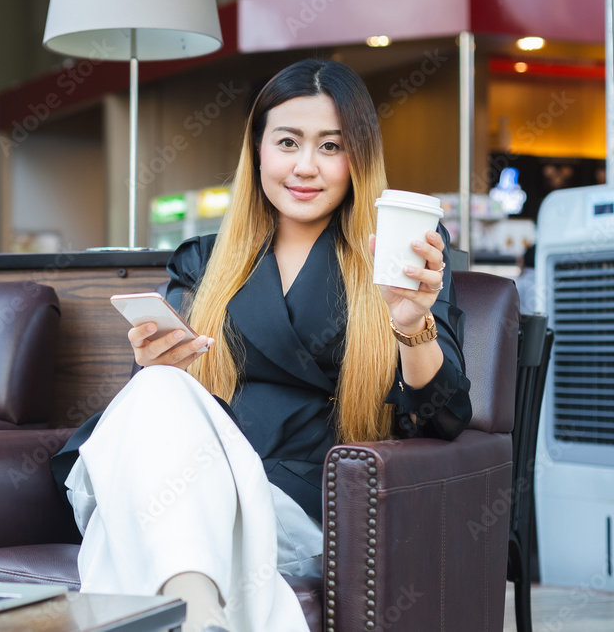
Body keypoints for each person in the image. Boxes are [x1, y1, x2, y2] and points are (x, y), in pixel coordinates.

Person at [50, 59, 472, 632]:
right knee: (157, 387)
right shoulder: (203, 259)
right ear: (257, 150)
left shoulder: (401, 253)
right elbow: (155, 424)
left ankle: (192, 615)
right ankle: (200, 618)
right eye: (288, 142)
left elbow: (442, 419)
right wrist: (152, 365)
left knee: (121, 529)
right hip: (183, 480)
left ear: (360, 158)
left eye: (331, 146)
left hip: (297, 501)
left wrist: (409, 323)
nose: (305, 166)